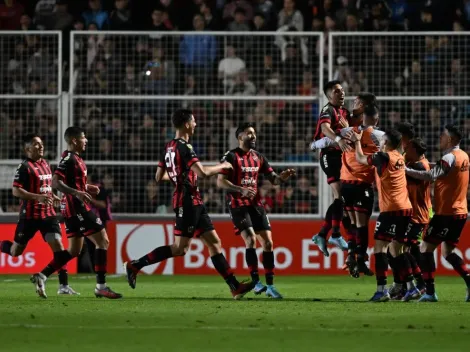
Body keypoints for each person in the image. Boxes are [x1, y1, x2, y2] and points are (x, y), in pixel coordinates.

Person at [124, 109, 255, 299]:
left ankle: (234, 286)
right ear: (186, 124)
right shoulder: (185, 147)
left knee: (215, 243)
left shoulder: (168, 146)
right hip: (187, 201)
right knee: (180, 249)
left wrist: (178, 176)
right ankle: (135, 265)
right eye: (193, 121)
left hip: (194, 201)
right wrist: (223, 166)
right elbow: (202, 173)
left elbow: (158, 177)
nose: (196, 124)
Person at [31, 127, 122, 299]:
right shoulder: (69, 159)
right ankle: (101, 286)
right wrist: (77, 193)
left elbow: (72, 183)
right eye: (83, 137)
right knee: (103, 241)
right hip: (77, 208)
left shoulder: (77, 159)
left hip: (72, 208)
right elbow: (56, 183)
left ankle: (42, 275)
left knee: (73, 251)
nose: (86, 140)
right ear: (74, 140)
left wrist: (86, 187)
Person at [217, 122, 295, 299]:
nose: (253, 136)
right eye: (249, 133)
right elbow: (220, 182)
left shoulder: (258, 157)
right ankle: (256, 282)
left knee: (268, 243)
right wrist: (240, 189)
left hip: (255, 204)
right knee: (251, 239)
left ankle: (270, 286)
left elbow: (273, 179)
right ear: (240, 137)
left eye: (254, 133)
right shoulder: (230, 156)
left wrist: (282, 178)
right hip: (238, 205)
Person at [0, 133, 78, 296]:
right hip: (29, 216)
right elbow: (16, 191)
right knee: (16, 252)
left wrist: (52, 196)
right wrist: (38, 197)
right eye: (36, 144)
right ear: (27, 148)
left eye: (41, 143)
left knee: (59, 247)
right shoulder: (24, 167)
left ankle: (63, 286)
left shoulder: (45, 164)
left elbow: (46, 186)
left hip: (48, 215)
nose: (41, 146)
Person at [405, 124, 470, 302]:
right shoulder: (463, 155)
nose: (440, 138)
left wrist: (405, 170)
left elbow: (430, 175)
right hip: (461, 211)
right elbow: (447, 171)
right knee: (447, 251)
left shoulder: (449, 157)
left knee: (425, 248)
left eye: (443, 135)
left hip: (446, 213)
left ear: (450, 139)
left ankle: (430, 292)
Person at [311, 82, 376, 257]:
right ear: (328, 95)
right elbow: (325, 128)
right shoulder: (328, 110)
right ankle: (336, 235)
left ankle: (326, 235)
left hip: (340, 157)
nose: (341, 93)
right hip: (329, 156)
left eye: (342, 90)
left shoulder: (345, 112)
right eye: (336, 91)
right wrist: (338, 139)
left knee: (343, 200)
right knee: (339, 194)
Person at [353, 129, 416, 302]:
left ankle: (381, 291)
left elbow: (359, 159)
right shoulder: (399, 156)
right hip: (406, 208)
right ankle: (412, 288)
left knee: (379, 249)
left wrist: (357, 141)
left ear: (386, 144)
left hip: (391, 209)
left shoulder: (383, 156)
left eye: (381, 141)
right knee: (396, 249)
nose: (379, 143)